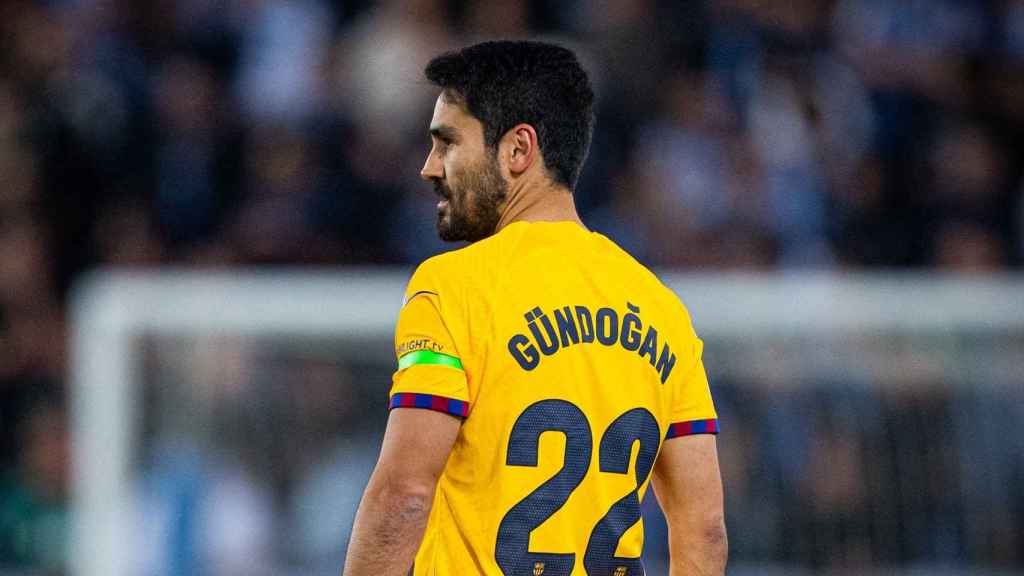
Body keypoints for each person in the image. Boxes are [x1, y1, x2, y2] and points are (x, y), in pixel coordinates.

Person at [343, 40, 726, 576]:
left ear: (518, 150)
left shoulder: (452, 289)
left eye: (447, 143)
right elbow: (703, 527)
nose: (429, 168)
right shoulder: (661, 309)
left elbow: (403, 496)